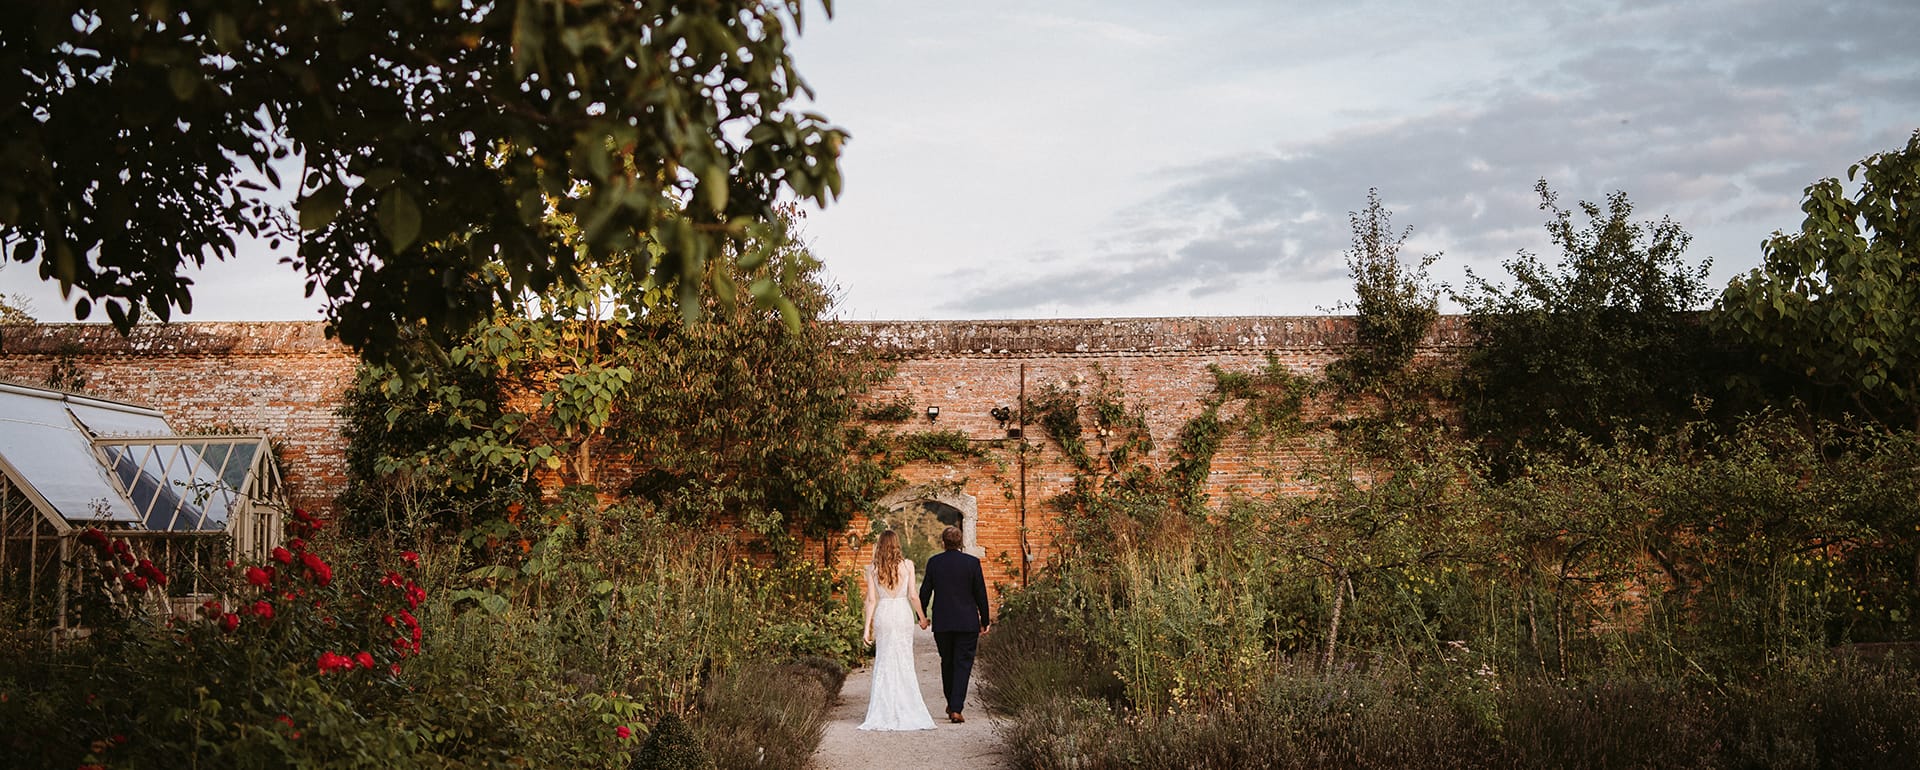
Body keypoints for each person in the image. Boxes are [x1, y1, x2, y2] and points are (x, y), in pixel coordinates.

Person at [857, 529, 936, 731]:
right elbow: (912, 595)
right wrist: (922, 617)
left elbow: (871, 600)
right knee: (903, 659)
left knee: (884, 659)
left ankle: (883, 710)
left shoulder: (873, 568)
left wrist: (867, 628)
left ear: (880, 545)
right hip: (902, 613)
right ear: (897, 544)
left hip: (884, 612)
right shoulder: (907, 565)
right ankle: (906, 705)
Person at [919, 525, 991, 723]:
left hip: (943, 623)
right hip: (967, 622)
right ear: (961, 543)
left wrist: (922, 614)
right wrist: (985, 620)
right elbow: (980, 594)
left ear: (943, 543)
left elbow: (925, 591)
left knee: (947, 662)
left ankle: (952, 703)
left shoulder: (934, 563)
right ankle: (956, 708)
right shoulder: (972, 563)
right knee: (963, 664)